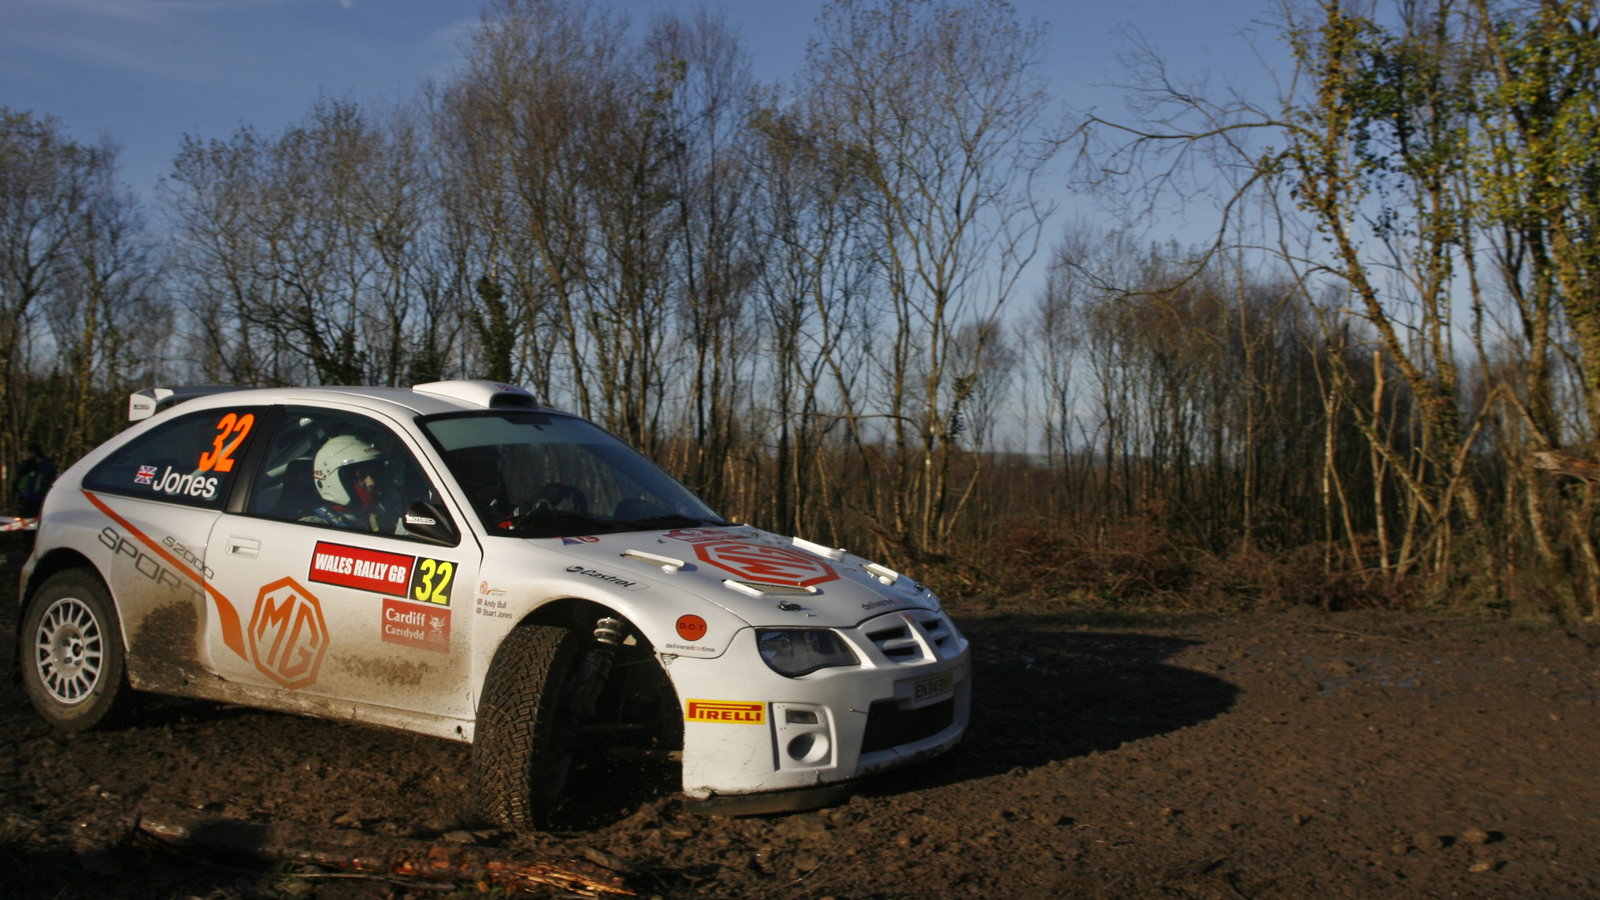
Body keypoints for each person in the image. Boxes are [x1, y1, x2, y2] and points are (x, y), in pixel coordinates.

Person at [301, 434, 400, 533]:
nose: (371, 482)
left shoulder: (382, 513)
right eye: (361, 475)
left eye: (375, 473)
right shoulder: (313, 528)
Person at [16, 443, 57, 518]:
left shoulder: (47, 463)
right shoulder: (28, 463)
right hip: (27, 496)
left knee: (34, 518)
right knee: (24, 518)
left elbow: (52, 474)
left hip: (39, 497)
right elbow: (19, 471)